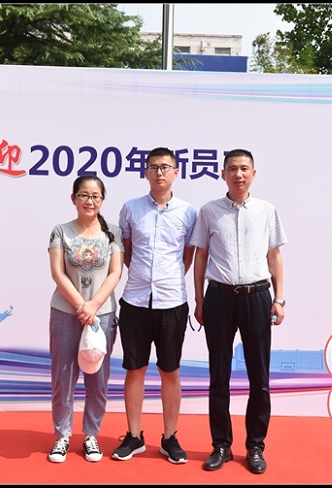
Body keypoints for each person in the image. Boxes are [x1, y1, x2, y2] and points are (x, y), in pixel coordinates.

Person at [190, 148, 287, 475]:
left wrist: (280, 298)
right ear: (223, 174)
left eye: (244, 168)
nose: (238, 174)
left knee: (260, 378)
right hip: (219, 297)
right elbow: (201, 256)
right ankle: (221, 445)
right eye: (232, 168)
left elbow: (274, 256)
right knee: (219, 376)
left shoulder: (266, 210)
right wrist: (200, 300)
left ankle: (255, 446)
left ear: (253, 174)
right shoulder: (209, 211)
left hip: (257, 296)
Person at [112, 147, 197, 464]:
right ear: (145, 172)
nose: (159, 172)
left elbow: (187, 256)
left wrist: (166, 279)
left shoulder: (188, 212)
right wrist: (144, 277)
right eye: (153, 167)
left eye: (165, 167)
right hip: (135, 300)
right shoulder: (131, 209)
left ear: (176, 172)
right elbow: (127, 252)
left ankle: (170, 437)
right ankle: (134, 436)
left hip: (172, 302)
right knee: (134, 369)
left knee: (169, 370)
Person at [47, 175, 124, 464]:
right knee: (63, 376)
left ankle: (91, 434)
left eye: (95, 196)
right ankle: (62, 436)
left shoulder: (113, 233)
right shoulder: (61, 231)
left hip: (102, 314)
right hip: (66, 312)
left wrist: (93, 305)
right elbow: (57, 273)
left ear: (102, 200)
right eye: (83, 195)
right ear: (74, 199)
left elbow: (115, 273)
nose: (89, 201)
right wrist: (82, 306)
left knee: (98, 378)